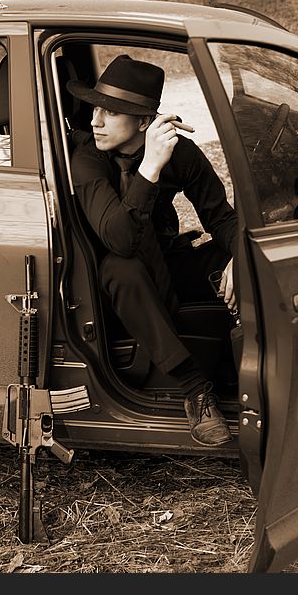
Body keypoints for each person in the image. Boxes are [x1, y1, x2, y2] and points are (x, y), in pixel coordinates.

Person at [67, 54, 238, 447]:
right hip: (112, 282)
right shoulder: (88, 159)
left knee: (230, 257)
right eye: (96, 109)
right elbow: (119, 239)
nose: (95, 121)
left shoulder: (181, 153)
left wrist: (241, 260)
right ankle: (195, 389)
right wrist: (150, 169)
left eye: (110, 113)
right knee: (121, 267)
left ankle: (249, 366)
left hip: (165, 261)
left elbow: (221, 218)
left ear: (144, 122)